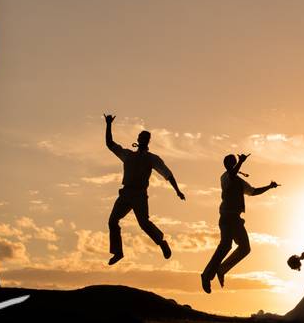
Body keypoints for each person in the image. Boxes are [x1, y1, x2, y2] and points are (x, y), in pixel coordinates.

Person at [103, 113, 185, 265]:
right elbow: (110, 144)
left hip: (139, 194)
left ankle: (162, 243)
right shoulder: (127, 155)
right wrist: (108, 124)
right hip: (126, 192)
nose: (142, 139)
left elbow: (168, 174)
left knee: (144, 223)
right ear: (138, 139)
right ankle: (118, 252)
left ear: (148, 141)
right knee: (112, 221)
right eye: (141, 136)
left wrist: (177, 191)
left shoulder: (152, 158)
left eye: (145, 138)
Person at [201, 153, 279, 293]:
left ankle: (221, 269)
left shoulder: (239, 181)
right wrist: (241, 162)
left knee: (245, 248)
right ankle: (206, 275)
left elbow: (253, 192)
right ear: (226, 165)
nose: (231, 165)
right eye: (230, 163)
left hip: (236, 219)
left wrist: (269, 186)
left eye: (233, 163)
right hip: (226, 217)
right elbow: (231, 174)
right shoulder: (225, 177)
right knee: (225, 245)